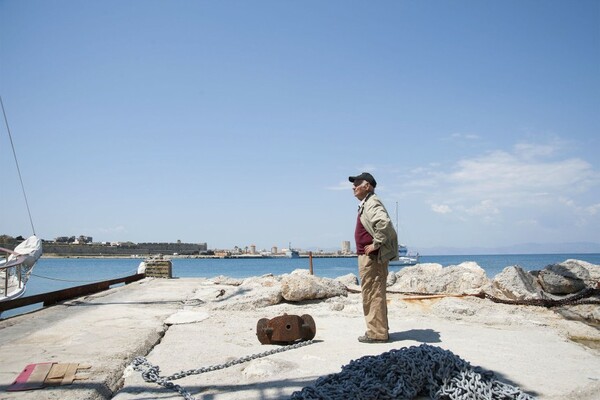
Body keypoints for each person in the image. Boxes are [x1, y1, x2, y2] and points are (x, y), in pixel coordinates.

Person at [349, 172, 398, 343]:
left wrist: (376, 244)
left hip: (372, 258)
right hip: (368, 257)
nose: (353, 187)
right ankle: (379, 329)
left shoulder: (372, 202)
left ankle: (377, 333)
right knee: (372, 292)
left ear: (367, 186)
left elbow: (383, 223)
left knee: (372, 293)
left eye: (357, 184)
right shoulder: (367, 203)